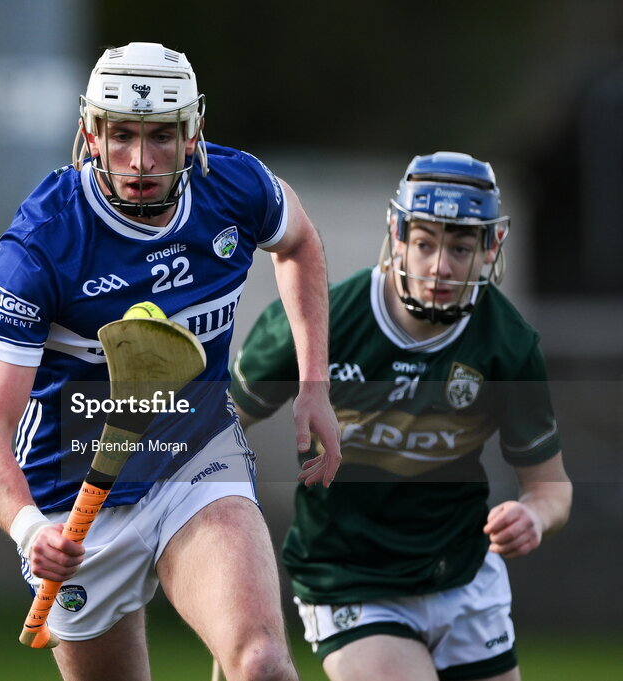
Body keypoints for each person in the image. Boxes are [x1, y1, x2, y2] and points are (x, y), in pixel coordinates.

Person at [0, 42, 340, 681]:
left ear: (193, 135)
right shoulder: (43, 243)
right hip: (72, 494)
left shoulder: (233, 186)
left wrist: (314, 386)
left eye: (161, 136)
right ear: (90, 132)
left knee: (262, 663)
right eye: (122, 136)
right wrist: (30, 532)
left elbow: (298, 241)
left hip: (193, 456)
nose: (141, 161)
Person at [230, 152, 573, 681]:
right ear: (397, 234)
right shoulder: (325, 319)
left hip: (462, 575)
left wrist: (534, 516)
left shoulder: (507, 345)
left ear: (491, 248)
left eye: (460, 248)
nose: (440, 266)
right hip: (349, 580)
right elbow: (215, 425)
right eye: (426, 243)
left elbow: (551, 489)